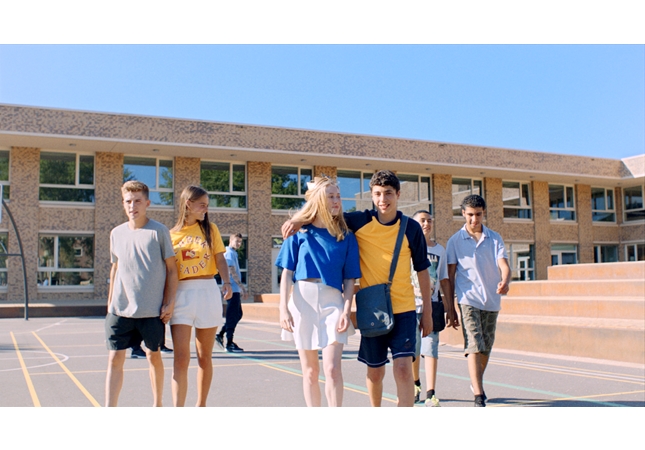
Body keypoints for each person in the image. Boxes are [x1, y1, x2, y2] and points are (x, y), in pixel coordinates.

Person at [283, 170, 433, 407]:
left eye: (388, 193)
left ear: (398, 194)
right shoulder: (358, 221)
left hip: (404, 307)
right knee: (375, 372)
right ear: (371, 196)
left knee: (404, 369)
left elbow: (423, 270)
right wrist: (298, 220)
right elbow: (323, 212)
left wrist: (427, 312)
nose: (383, 199)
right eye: (378, 194)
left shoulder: (411, 228)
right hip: (372, 309)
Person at [276, 175, 361, 407]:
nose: (336, 201)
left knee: (332, 369)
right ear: (318, 201)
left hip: (333, 302)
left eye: (338, 196)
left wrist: (346, 311)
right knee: (310, 372)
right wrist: (283, 309)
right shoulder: (298, 233)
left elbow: (350, 279)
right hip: (301, 302)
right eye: (330, 196)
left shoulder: (346, 236)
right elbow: (286, 274)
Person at [104, 181, 178, 407]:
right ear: (123, 203)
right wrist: (110, 303)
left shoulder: (159, 231)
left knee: (153, 355)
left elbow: (172, 269)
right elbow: (115, 268)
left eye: (137, 201)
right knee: (115, 358)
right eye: (128, 201)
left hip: (151, 310)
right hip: (120, 309)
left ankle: (157, 404)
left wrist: (170, 303)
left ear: (147, 203)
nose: (132, 206)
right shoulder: (116, 233)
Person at [169, 185, 233, 407]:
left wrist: (226, 282)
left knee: (204, 356)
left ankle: (201, 405)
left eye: (207, 205)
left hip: (207, 291)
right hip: (181, 294)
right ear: (188, 204)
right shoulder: (171, 235)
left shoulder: (210, 229)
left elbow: (220, 259)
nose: (206, 209)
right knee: (181, 358)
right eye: (202, 205)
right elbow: (168, 271)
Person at [446, 194, 511, 407]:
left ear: (483, 214)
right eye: (470, 215)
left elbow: (504, 266)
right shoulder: (455, 241)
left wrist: (505, 281)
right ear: (463, 214)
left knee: (486, 347)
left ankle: (476, 382)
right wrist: (450, 307)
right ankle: (479, 395)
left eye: (478, 215)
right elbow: (450, 276)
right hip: (468, 299)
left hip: (491, 300)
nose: (474, 219)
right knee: (474, 343)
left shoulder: (494, 238)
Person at [410, 210, 459, 406]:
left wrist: (450, 308)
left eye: (429, 220)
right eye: (422, 220)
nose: (426, 224)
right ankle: (415, 383)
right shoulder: (406, 247)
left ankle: (430, 393)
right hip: (410, 306)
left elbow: (444, 279)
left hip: (432, 306)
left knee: (430, 348)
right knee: (413, 350)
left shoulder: (439, 250)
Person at [216, 233, 248, 353]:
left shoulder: (233, 253)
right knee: (232, 315)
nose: (239, 244)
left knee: (238, 314)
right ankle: (229, 343)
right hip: (232, 289)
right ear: (230, 241)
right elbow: (231, 271)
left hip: (235, 289)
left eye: (240, 242)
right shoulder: (229, 253)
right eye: (236, 241)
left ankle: (221, 334)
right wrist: (242, 287)